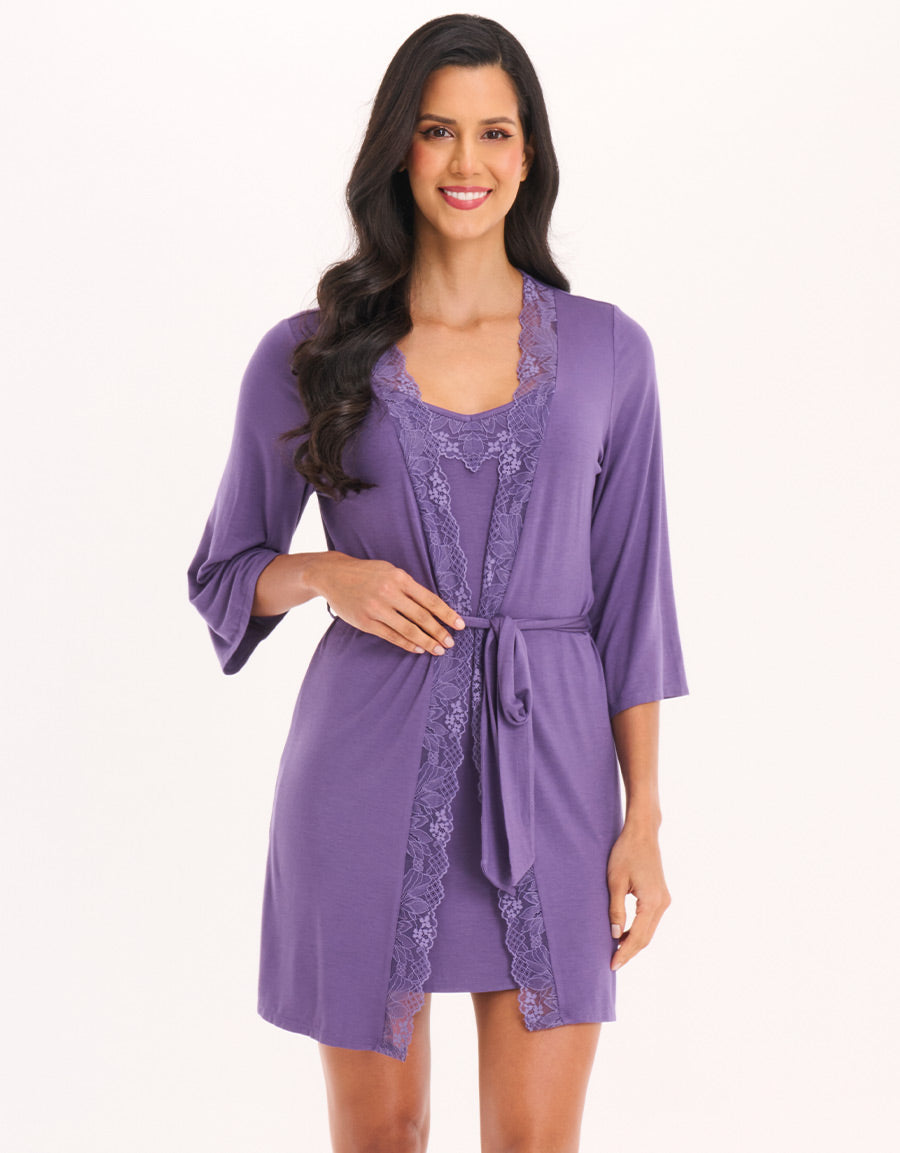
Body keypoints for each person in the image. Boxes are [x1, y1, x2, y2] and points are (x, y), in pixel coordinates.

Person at [187, 13, 689, 1152]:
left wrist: (645, 815)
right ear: (398, 150)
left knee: (535, 1142)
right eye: (437, 130)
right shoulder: (310, 352)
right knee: (383, 1138)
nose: (468, 162)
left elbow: (634, 600)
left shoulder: (610, 352)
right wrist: (329, 574)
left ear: (529, 153)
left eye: (494, 133)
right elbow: (226, 572)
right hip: (362, 769)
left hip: (555, 775)